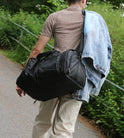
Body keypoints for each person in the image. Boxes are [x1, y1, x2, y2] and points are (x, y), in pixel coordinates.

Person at [16, 0, 87, 138]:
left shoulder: (55, 17)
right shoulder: (91, 20)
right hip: (76, 78)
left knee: (43, 121)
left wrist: (24, 78)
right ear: (83, 1)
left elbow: (37, 50)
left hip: (52, 75)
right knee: (65, 127)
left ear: (67, 0)